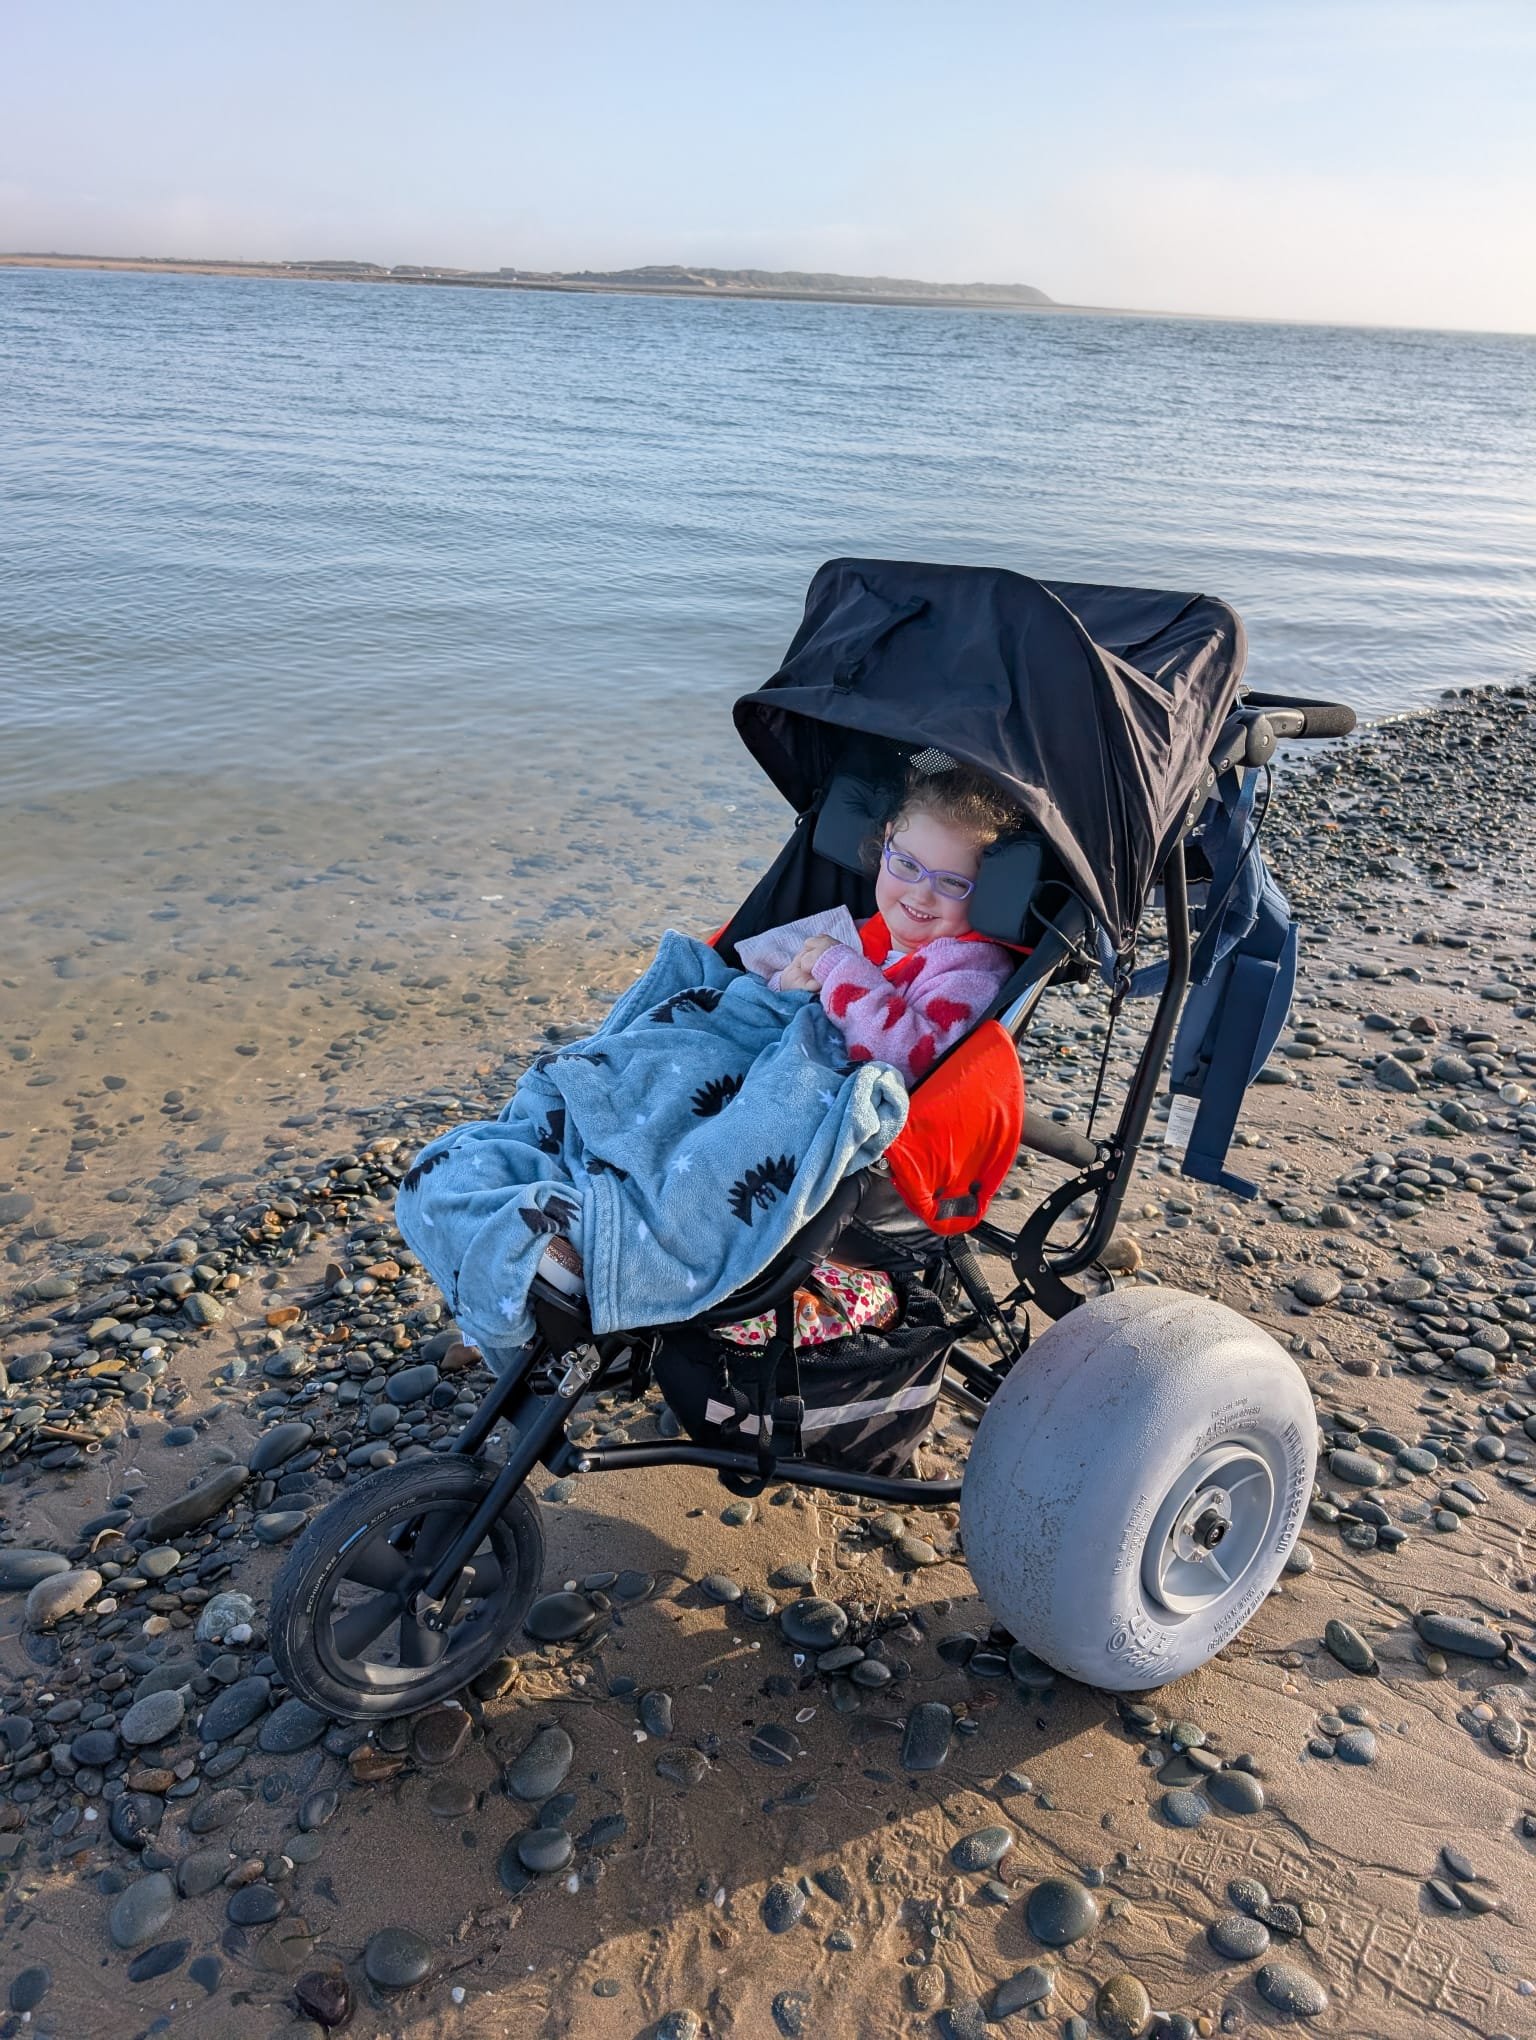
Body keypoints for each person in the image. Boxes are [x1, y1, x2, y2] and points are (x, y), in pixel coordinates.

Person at [774, 764, 1018, 1084]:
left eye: (952, 883)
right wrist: (786, 986)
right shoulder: (859, 932)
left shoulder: (971, 972)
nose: (921, 894)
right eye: (906, 864)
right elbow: (765, 994)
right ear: (887, 840)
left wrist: (839, 970)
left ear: (984, 891)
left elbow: (906, 1059)